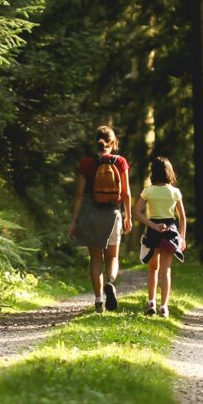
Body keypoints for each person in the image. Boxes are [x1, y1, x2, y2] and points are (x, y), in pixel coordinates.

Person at [69, 126, 130, 311]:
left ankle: (98, 301)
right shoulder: (120, 162)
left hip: (90, 212)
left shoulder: (86, 163)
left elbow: (79, 195)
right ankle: (110, 282)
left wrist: (74, 221)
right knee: (112, 257)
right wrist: (128, 216)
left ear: (96, 141)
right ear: (113, 142)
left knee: (95, 259)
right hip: (112, 212)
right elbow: (126, 193)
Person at [134, 156, 186, 317]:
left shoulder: (148, 191)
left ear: (153, 173)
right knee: (166, 270)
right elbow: (182, 217)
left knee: (153, 269)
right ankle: (164, 306)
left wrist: (153, 226)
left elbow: (137, 212)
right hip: (170, 231)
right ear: (169, 172)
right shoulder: (175, 192)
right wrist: (182, 237)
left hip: (153, 231)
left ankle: (151, 302)